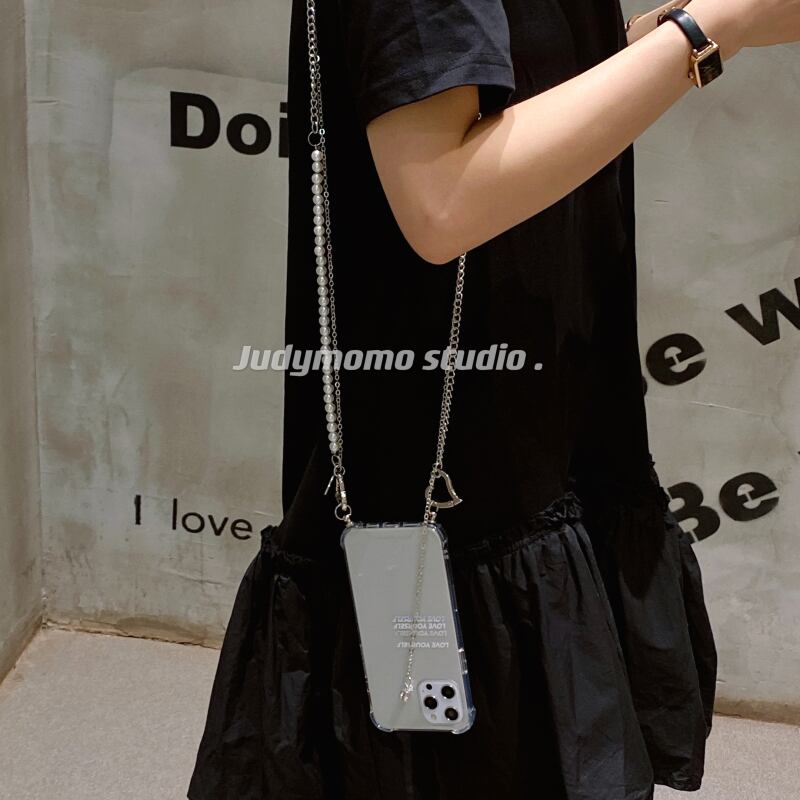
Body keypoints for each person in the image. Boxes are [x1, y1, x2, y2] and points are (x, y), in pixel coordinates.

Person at [188, 0, 800, 797]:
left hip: (536, 427)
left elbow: (500, 78)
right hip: (466, 471)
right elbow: (441, 198)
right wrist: (714, 29)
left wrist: (643, 43)